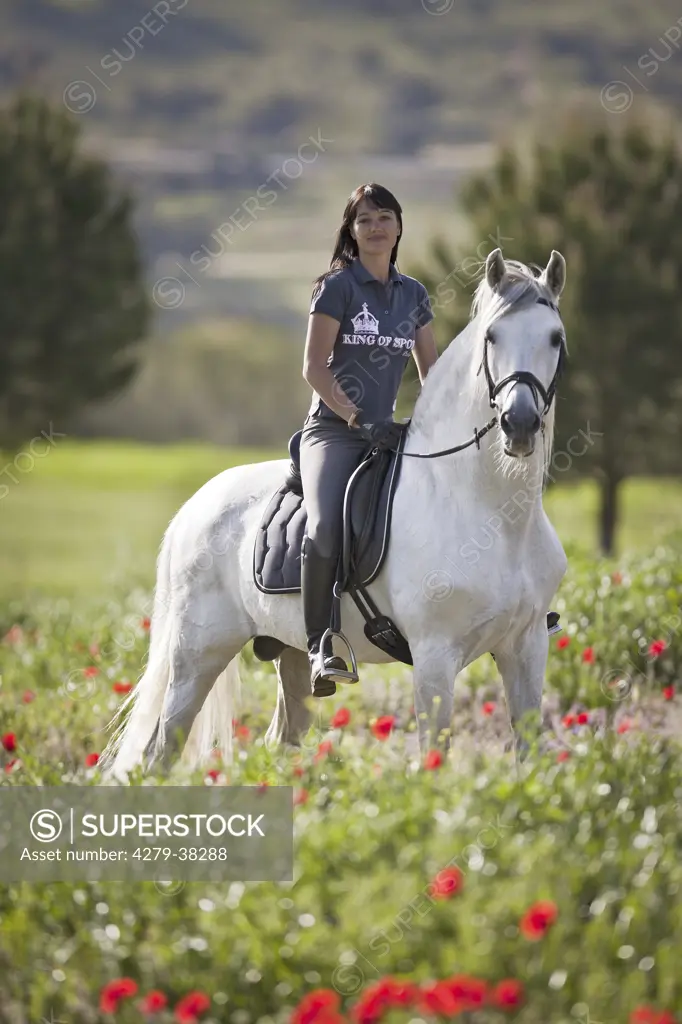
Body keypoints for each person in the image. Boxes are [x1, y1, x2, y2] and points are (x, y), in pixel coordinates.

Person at [299, 183, 439, 698]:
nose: (375, 227)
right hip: (335, 433)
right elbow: (314, 368)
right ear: (351, 232)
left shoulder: (414, 295)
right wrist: (357, 418)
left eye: (384, 217)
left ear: (400, 226)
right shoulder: (337, 287)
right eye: (364, 220)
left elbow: (434, 375)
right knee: (323, 529)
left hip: (391, 435)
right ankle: (321, 645)